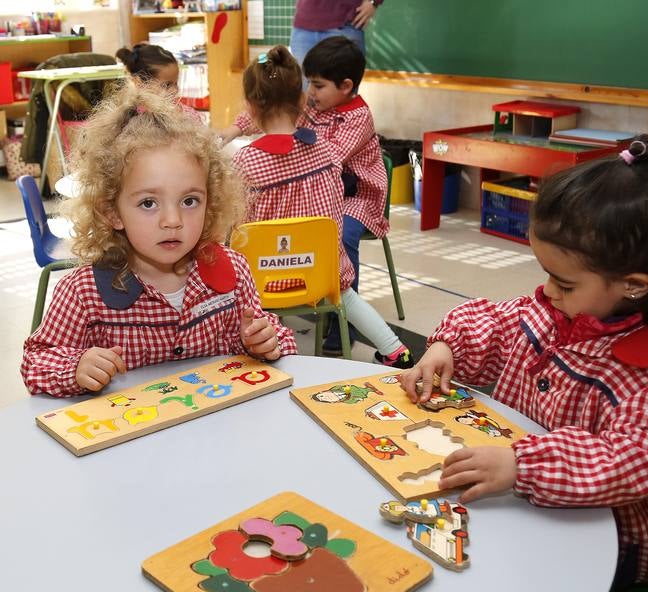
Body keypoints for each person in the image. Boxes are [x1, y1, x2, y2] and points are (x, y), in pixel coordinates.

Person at [399, 138, 648, 586]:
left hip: (615, 535)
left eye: (564, 283)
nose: (549, 292)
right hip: (525, 491)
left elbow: (627, 460)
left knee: (496, 581)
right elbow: (497, 322)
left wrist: (523, 466)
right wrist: (447, 346)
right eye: (546, 274)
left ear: (633, 285)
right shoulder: (562, 309)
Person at [21, 81, 296, 397]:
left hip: (214, 434)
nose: (173, 221)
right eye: (148, 203)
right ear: (112, 212)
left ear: (211, 202)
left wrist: (263, 342)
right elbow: (35, 364)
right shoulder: (83, 293)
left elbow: (278, 337)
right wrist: (76, 367)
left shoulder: (232, 271)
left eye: (190, 201)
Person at [231, 45, 413, 370]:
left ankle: (271, 353)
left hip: (263, 279)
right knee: (345, 293)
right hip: (319, 274)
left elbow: (235, 224)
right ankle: (396, 351)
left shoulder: (244, 162)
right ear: (302, 102)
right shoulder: (327, 155)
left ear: (250, 106)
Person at [302, 36, 388, 355]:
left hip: (358, 197)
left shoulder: (358, 116)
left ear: (346, 86)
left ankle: (344, 324)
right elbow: (277, 113)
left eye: (318, 85)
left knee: (342, 235)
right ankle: (306, 294)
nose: (310, 92)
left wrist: (297, 138)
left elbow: (332, 157)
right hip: (323, 192)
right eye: (309, 83)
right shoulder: (316, 104)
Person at [116, 43, 180, 91]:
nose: (175, 90)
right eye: (166, 85)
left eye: (176, 83)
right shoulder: (132, 108)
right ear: (138, 82)